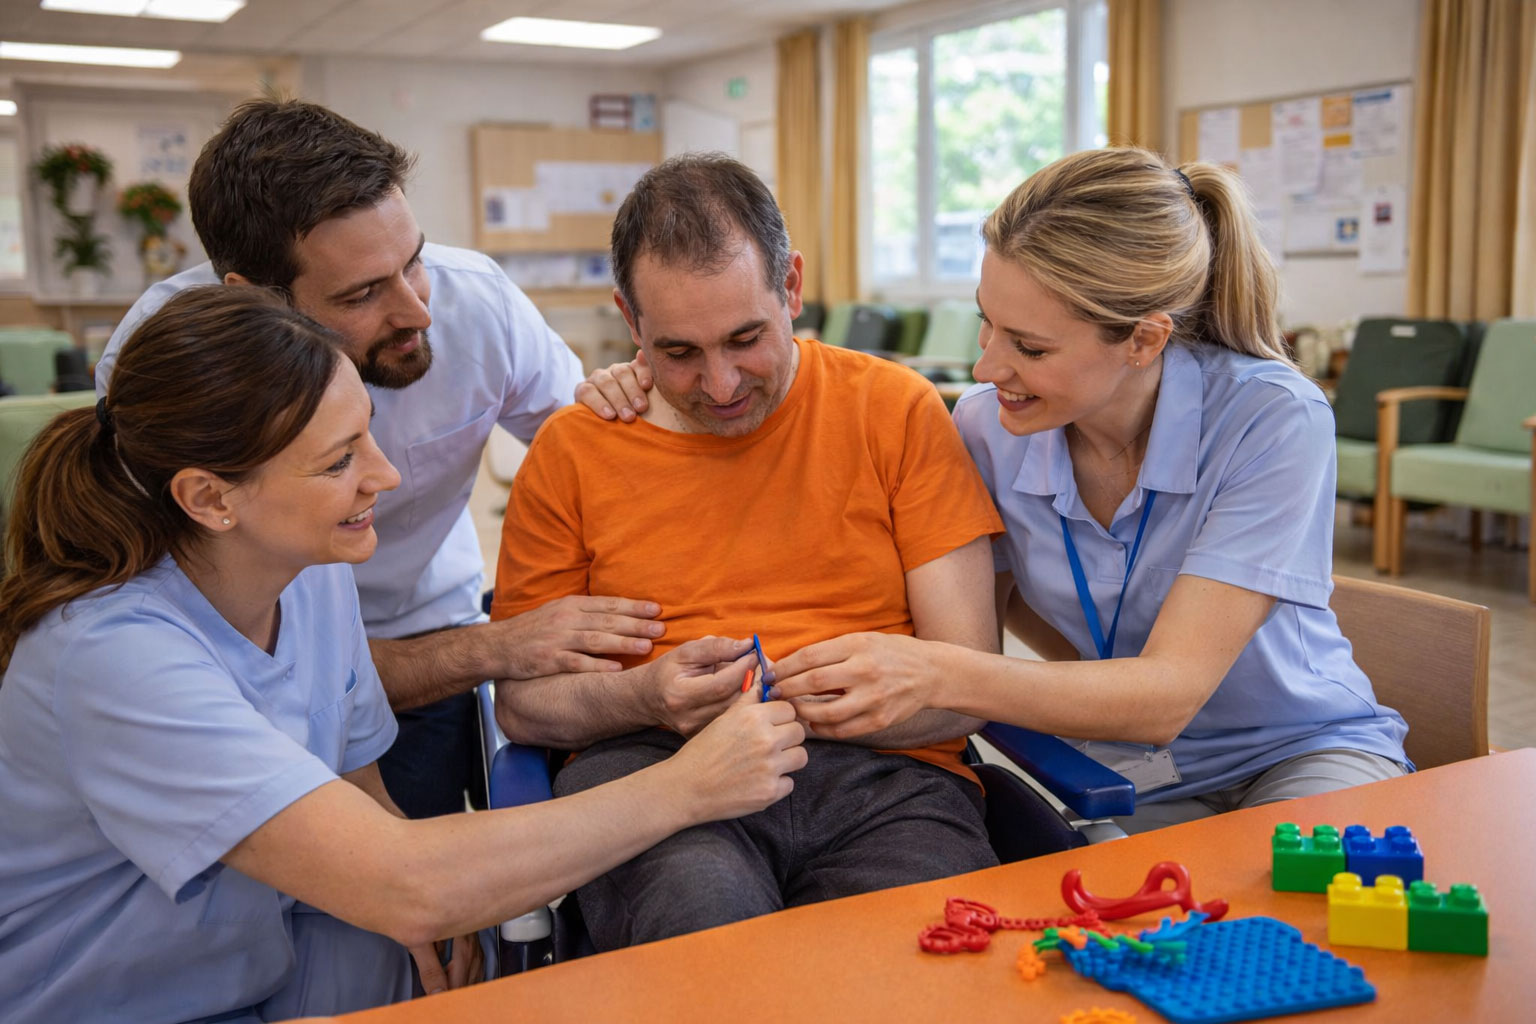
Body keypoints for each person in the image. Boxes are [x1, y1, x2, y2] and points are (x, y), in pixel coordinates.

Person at [0, 287, 805, 1024]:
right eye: (339, 461)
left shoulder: (308, 576)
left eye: (368, 439)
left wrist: (429, 908)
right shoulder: (110, 659)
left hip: (282, 950)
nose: (382, 477)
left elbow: (357, 781)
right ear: (210, 498)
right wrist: (691, 787)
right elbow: (405, 881)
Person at [756, 147, 1411, 832]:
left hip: (1297, 750)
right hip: (1134, 770)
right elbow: (996, 603)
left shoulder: (1272, 418)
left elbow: (1167, 697)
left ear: (1143, 340)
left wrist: (935, 671)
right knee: (1094, 925)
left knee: (1272, 911)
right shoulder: (987, 428)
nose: (987, 364)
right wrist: (649, 384)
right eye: (986, 320)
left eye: (1029, 348)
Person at [490, 154, 1006, 951]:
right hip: (653, 769)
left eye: (745, 338)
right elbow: (523, 707)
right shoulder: (574, 451)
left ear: (792, 287)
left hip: (886, 777)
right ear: (631, 322)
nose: (722, 383)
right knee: (706, 932)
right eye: (679, 353)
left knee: (909, 963)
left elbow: (970, 677)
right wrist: (645, 698)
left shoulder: (892, 410)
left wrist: (859, 704)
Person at [95, 99, 656, 819]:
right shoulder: (170, 367)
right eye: (361, 293)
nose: (418, 311)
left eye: (414, 261)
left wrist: (627, 401)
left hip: (423, 633)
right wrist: (497, 650)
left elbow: (596, 460)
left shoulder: (475, 307)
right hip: (245, 663)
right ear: (251, 303)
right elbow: (225, 654)